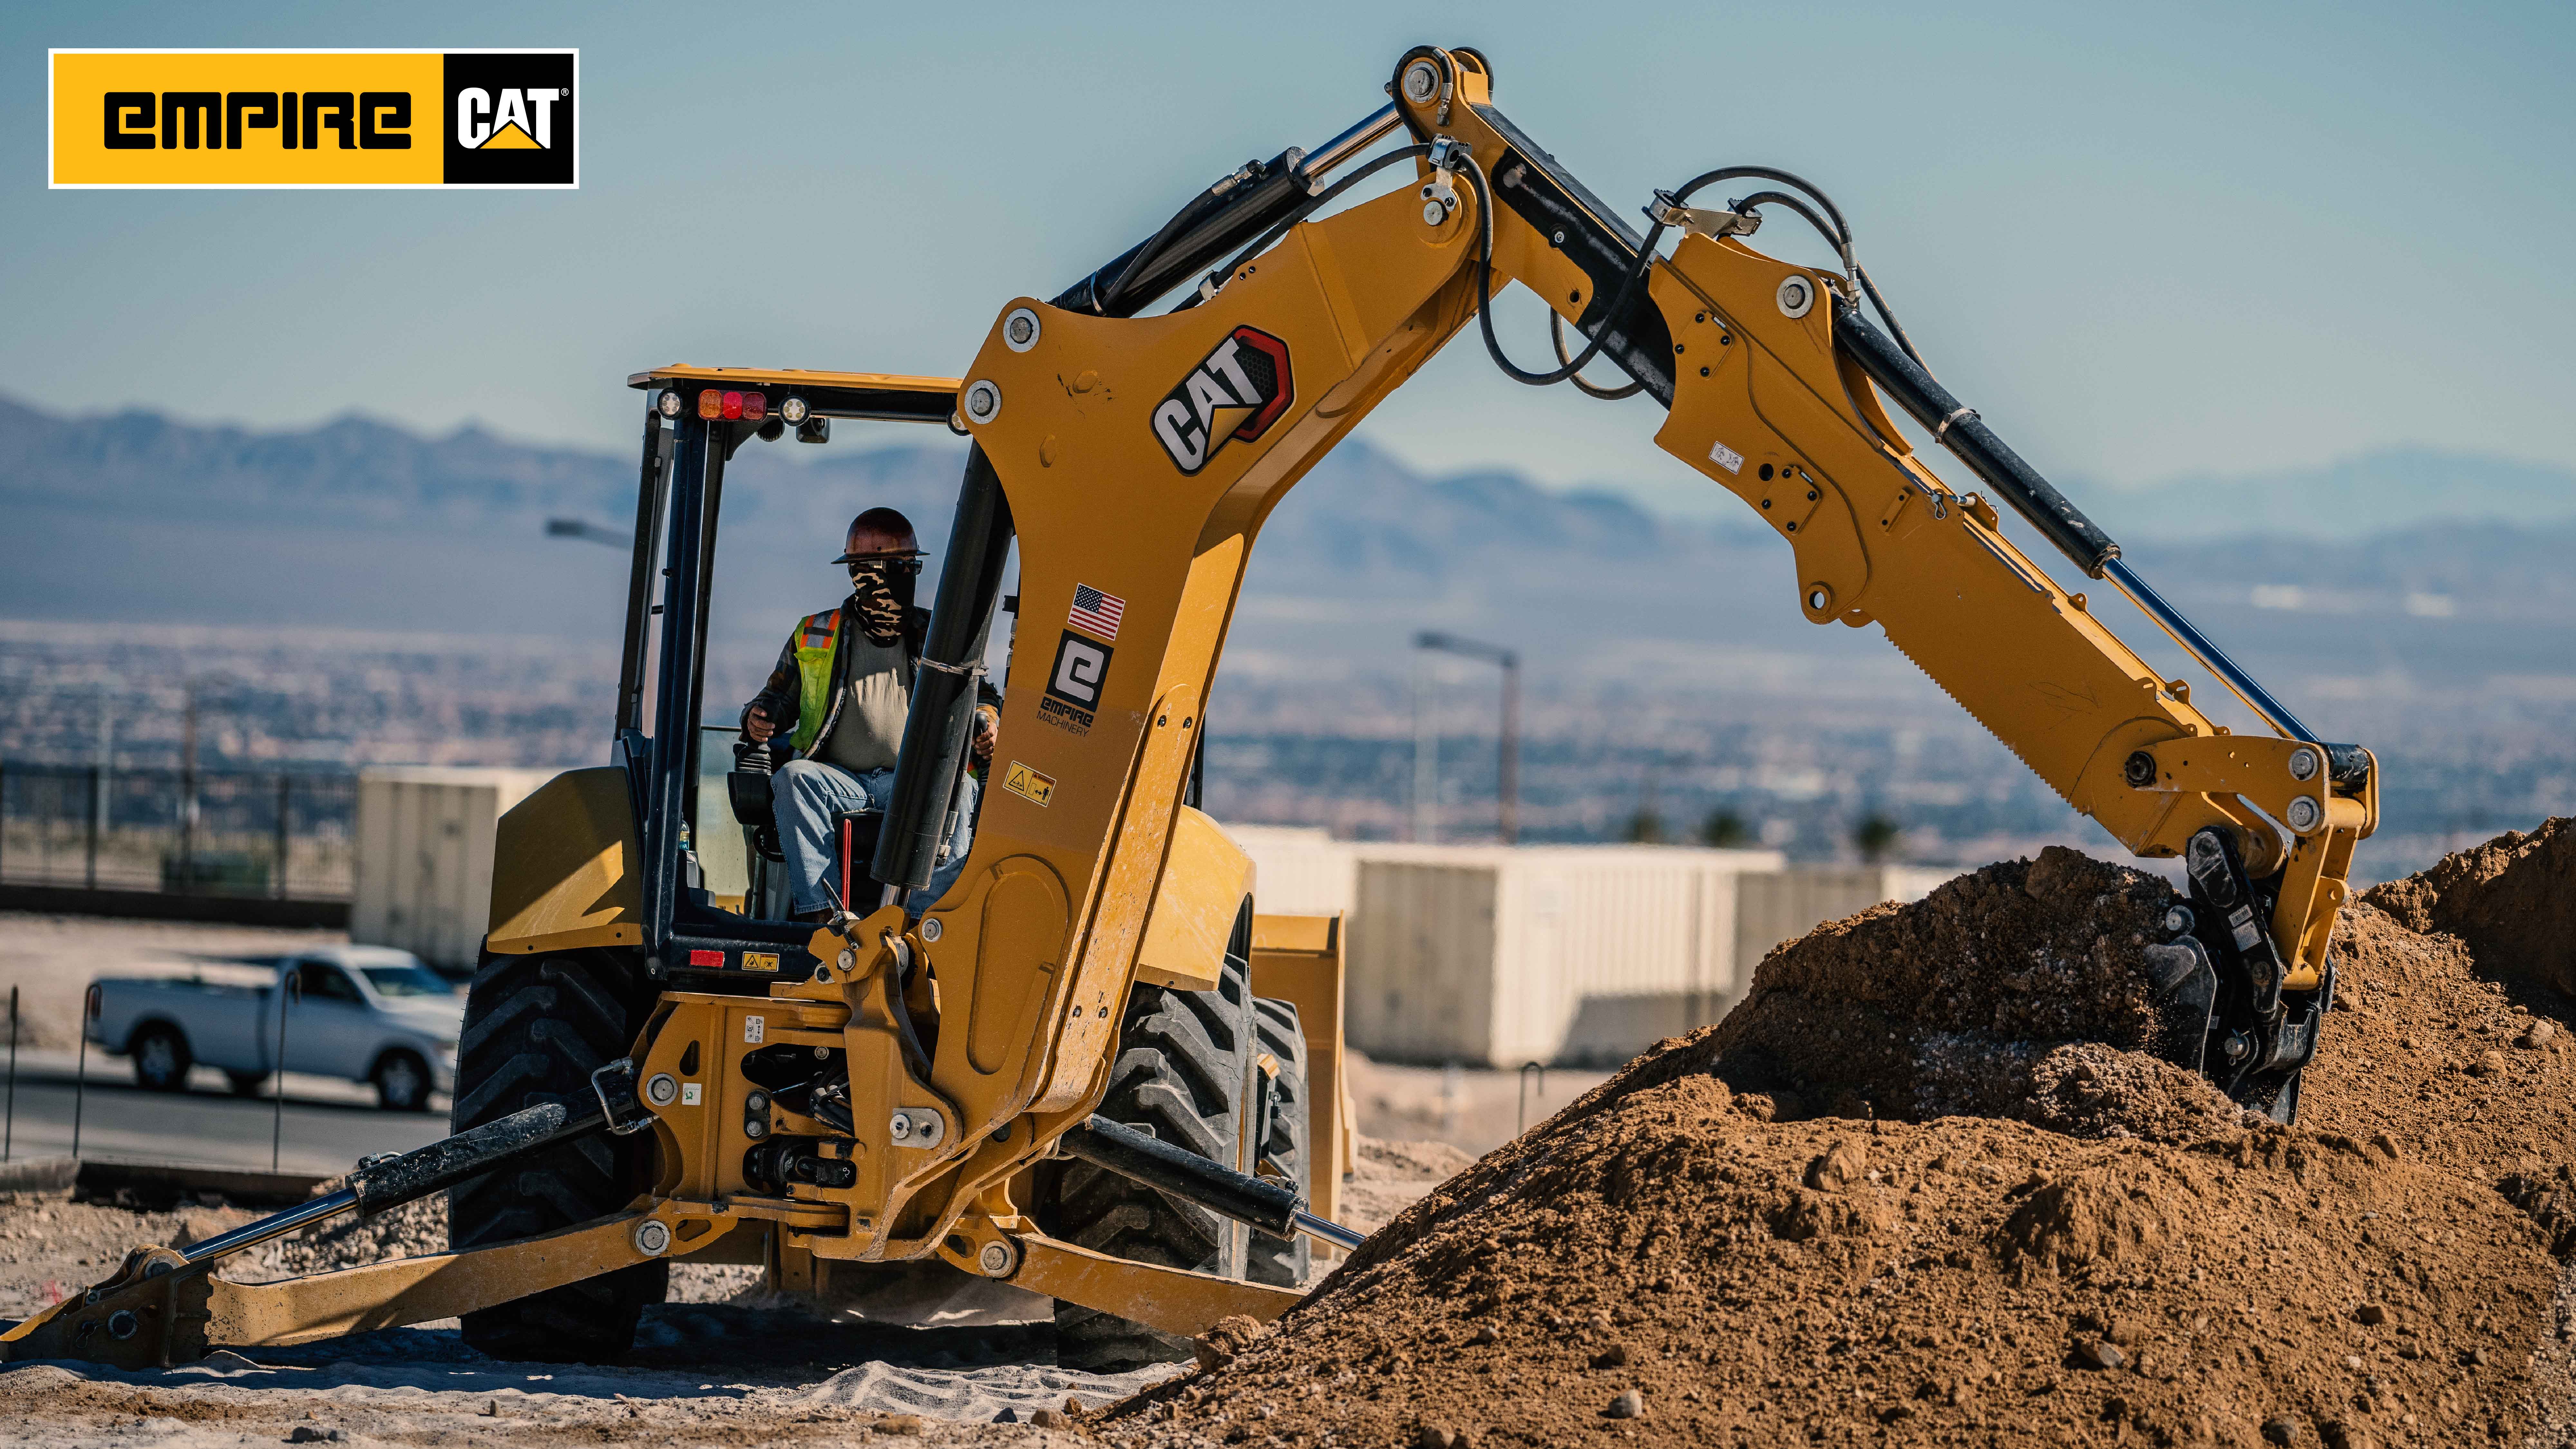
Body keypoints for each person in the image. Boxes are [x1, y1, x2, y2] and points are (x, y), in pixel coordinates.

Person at [742, 507, 999, 921]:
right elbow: (775, 699)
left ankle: (923, 917)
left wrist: (989, 720)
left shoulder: (940, 636)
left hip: (911, 782)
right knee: (793, 779)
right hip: (840, 779)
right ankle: (822, 915)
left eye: (909, 566)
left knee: (961, 788)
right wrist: (757, 717)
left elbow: (982, 696)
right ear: (862, 574)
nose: (905, 577)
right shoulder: (817, 633)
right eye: (896, 567)